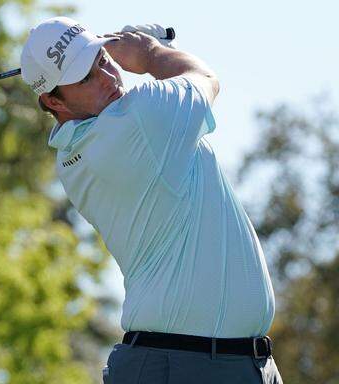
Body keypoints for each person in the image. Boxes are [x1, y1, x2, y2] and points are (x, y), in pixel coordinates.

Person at [20, 17, 282, 383]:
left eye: (103, 60)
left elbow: (173, 110)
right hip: (187, 364)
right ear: (52, 100)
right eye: (86, 78)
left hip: (226, 362)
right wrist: (152, 53)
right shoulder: (135, 123)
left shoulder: (78, 151)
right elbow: (206, 79)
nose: (109, 78)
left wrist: (155, 58)